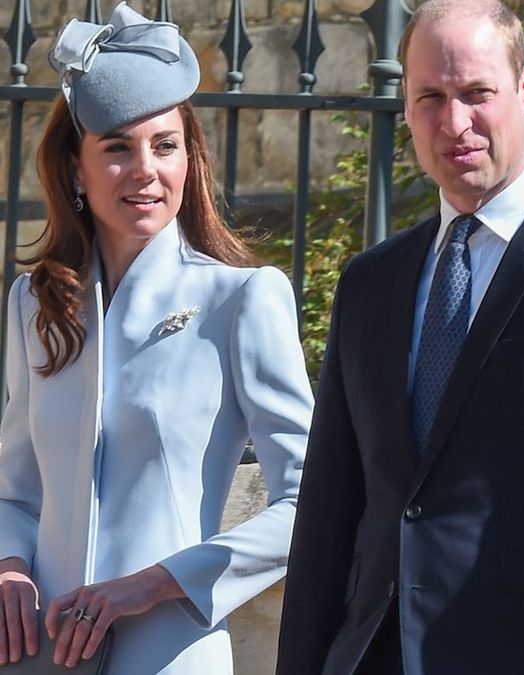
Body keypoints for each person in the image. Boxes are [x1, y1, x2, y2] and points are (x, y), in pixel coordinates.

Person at [275, 1, 524, 674]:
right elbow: (329, 514)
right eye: (430, 98)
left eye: (477, 94)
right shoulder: (370, 283)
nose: (455, 123)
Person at [0, 3, 312, 674]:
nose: (145, 169)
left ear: (187, 157)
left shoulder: (243, 299)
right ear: (77, 171)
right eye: (117, 147)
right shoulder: (35, 303)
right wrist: (9, 569)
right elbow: (15, 490)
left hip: (171, 654)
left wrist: (156, 581)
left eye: (164, 144)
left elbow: (309, 501)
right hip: (36, 658)